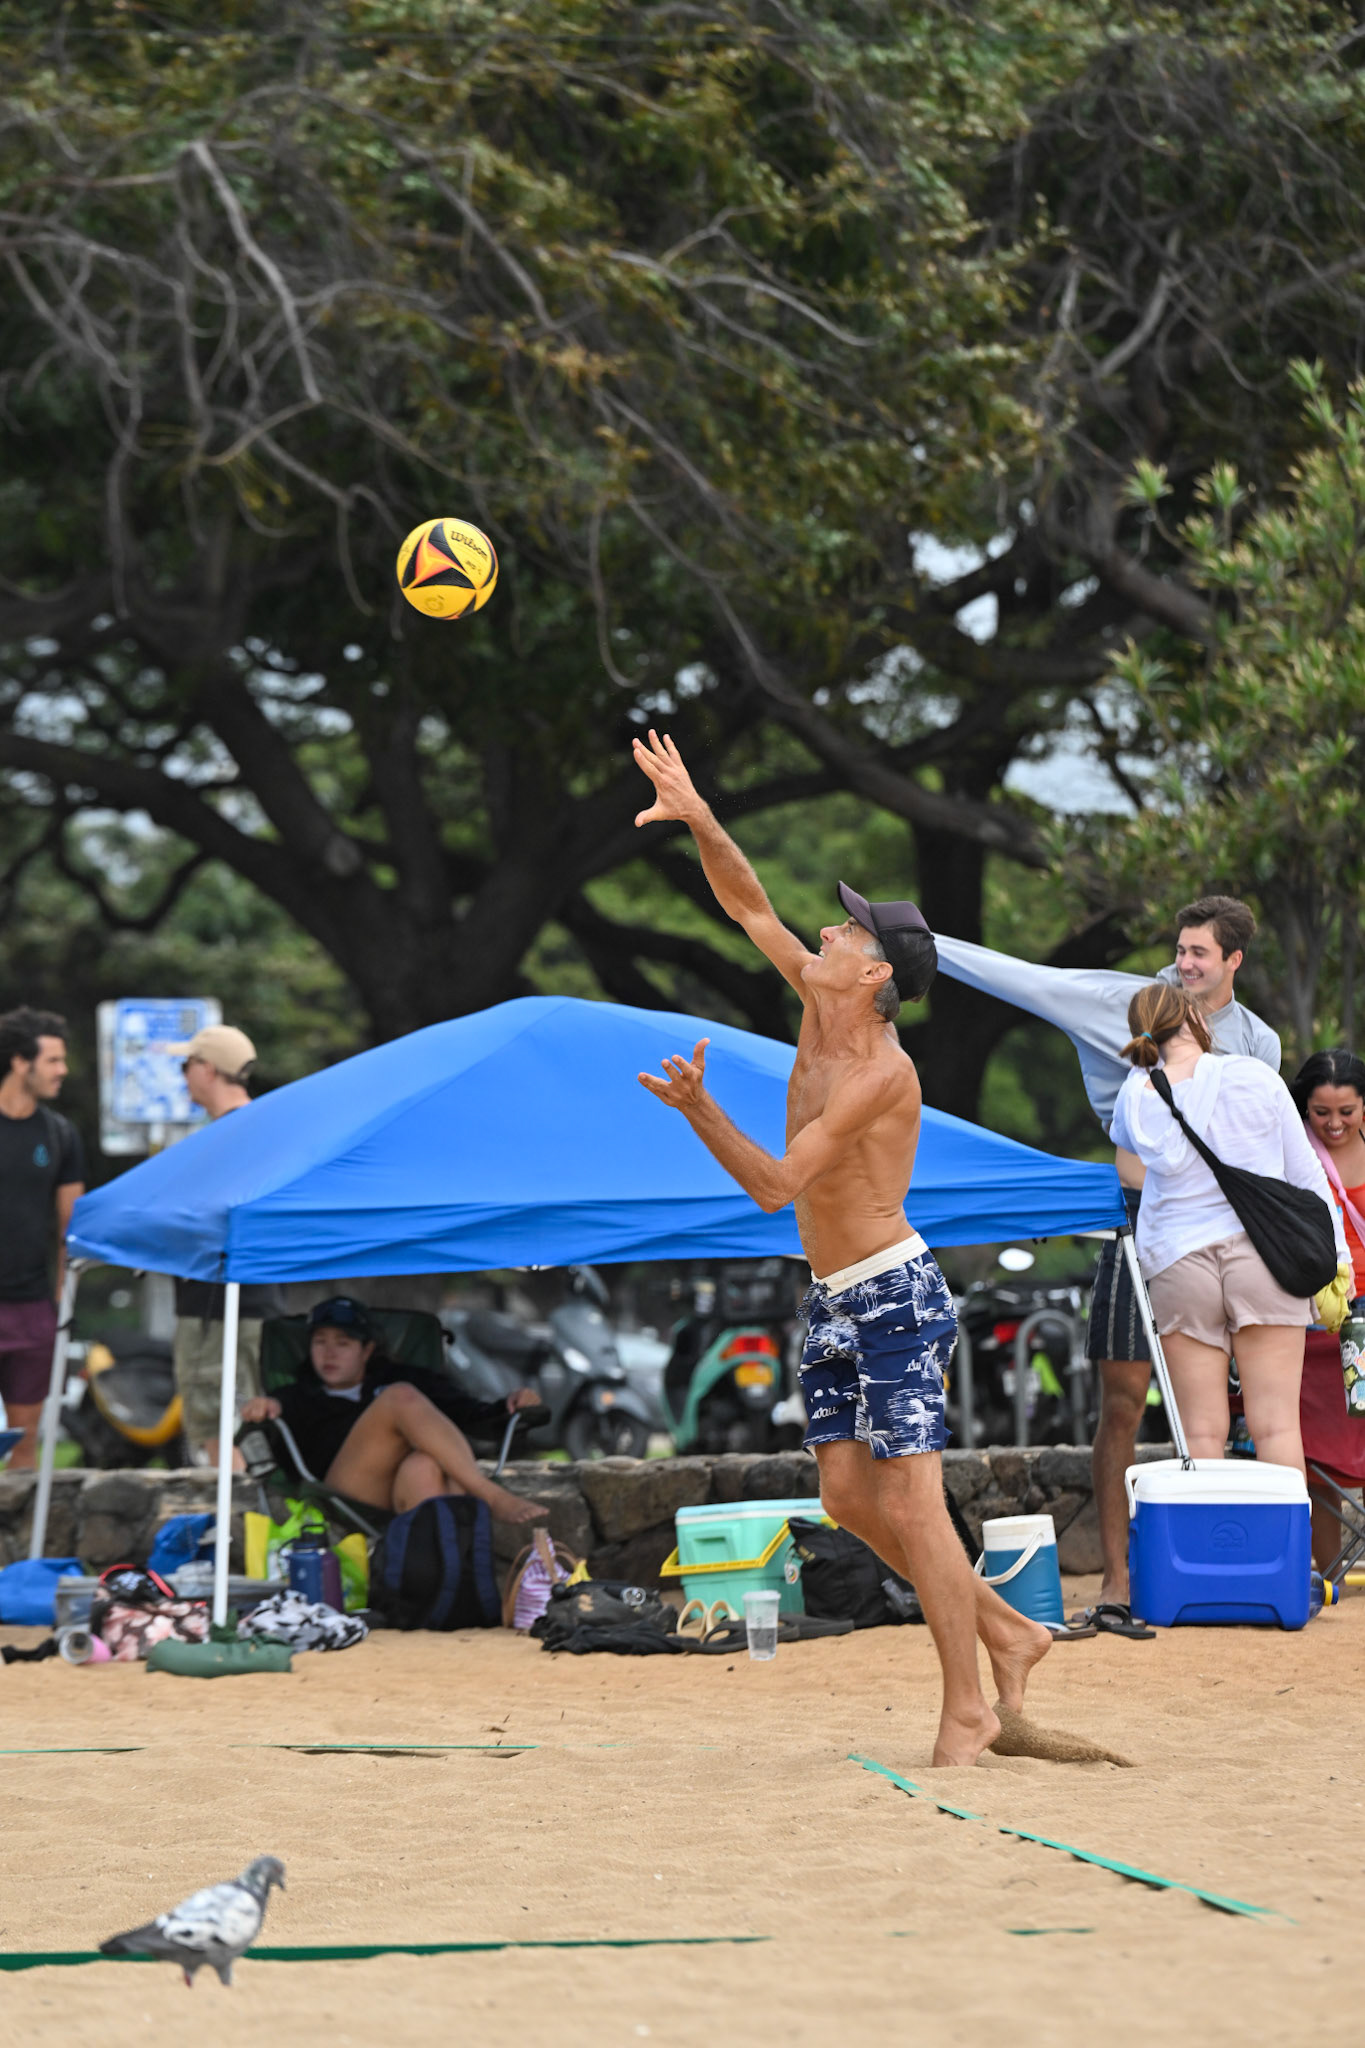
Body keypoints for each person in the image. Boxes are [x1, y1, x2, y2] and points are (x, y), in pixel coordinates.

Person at [631, 727, 1050, 1767]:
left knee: (911, 1496)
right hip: (831, 1295)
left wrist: (699, 1110)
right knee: (846, 1498)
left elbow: (777, 1184)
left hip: (897, 1294)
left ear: (877, 979)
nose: (829, 926)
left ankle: (970, 1704)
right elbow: (748, 903)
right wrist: (701, 815)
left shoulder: (879, 1072)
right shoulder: (819, 1005)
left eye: (852, 931)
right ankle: (1008, 1626)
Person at [1084, 895, 1282, 1631]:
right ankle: (1115, 1575)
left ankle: (1228, 1567)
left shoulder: (1257, 1044)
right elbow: (1129, 1164)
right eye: (1180, 949)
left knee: (1220, 1416)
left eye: (1199, 952)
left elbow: (1260, 1154)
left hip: (1229, 1239)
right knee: (1122, 1402)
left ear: (1232, 960)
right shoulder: (1139, 1012)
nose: (1184, 963)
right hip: (1140, 1233)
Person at [1109, 982, 1345, 1477]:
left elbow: (1129, 1161)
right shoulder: (1255, 1077)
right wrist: (1337, 1256)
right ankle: (1287, 1556)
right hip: (1263, 1257)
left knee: (1200, 1433)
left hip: (1178, 1263)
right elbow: (1307, 1177)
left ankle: (1210, 1552)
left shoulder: (1134, 1098)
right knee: (1277, 1426)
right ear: (1195, 1018)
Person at [239, 1296, 546, 1524]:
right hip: (342, 1494)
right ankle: (490, 1495)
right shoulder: (296, 1395)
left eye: (342, 1343)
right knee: (399, 1398)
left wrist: (507, 1407)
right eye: (320, 1342)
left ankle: (437, 1590)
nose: (328, 1353)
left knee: (424, 1463)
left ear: (368, 1349)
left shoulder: (407, 1377)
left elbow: (467, 1414)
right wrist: (263, 1410)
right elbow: (265, 1438)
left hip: (405, 1485)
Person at [165, 1024, 282, 1466]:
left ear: (207, 1069)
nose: (183, 1075)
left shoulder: (225, 1140)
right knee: (248, 1431)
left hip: (219, 1309)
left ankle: (234, 1531)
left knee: (223, 1436)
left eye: (186, 1064)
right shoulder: (267, 1131)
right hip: (256, 1302)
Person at [1289, 1049, 1365, 1569]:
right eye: (1322, 1113)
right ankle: (1326, 1572)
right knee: (1318, 1455)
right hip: (1318, 1321)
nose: (1334, 1124)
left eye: (1347, 1112)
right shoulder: (1293, 1153)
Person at [0, 1008, 85, 1470]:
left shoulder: (59, 1134)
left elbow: (72, 1228)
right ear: (20, 1062)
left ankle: (16, 1544)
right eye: (53, 1060)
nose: (62, 1071)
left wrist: (61, 1305)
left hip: (32, 1310)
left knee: (24, 1443)